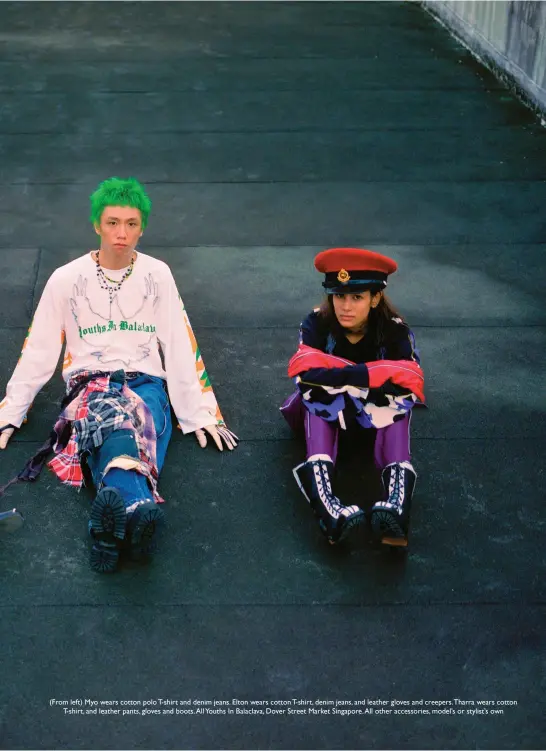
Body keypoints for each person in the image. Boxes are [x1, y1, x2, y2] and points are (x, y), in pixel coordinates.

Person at [0, 177, 237, 572]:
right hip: (90, 383)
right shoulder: (66, 279)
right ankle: (137, 506)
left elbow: (179, 341)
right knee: (115, 418)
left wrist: (199, 411)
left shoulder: (157, 275)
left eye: (130, 223)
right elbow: (38, 348)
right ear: (97, 225)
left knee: (138, 420)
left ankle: (112, 522)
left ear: (142, 227)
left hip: (147, 383)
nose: (121, 233)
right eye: (112, 222)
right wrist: (11, 410)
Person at [281, 247, 425, 548]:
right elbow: (304, 373)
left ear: (375, 299)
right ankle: (328, 511)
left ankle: (397, 509)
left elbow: (410, 382)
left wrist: (338, 373)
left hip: (373, 423)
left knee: (399, 406)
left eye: (356, 297)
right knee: (316, 400)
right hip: (328, 417)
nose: (345, 306)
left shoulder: (395, 330)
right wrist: (373, 374)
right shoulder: (317, 322)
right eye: (339, 296)